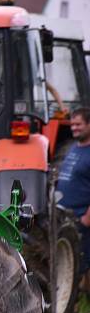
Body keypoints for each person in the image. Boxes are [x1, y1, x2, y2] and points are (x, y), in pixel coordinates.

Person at [56, 108, 90, 275]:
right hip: (66, 217)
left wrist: (87, 219)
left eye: (79, 124)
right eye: (72, 124)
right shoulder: (73, 148)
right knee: (70, 266)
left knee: (82, 267)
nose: (74, 128)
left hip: (82, 219)